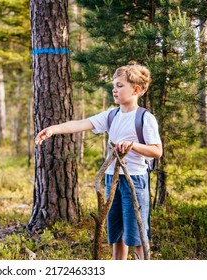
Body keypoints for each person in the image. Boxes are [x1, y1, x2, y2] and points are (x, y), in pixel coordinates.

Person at [35, 64, 162, 260]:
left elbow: (156, 151)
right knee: (116, 234)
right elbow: (81, 124)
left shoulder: (145, 118)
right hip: (112, 179)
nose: (114, 89)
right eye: (114, 85)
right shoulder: (112, 115)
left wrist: (132, 145)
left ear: (136, 89)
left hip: (135, 181)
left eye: (120, 85)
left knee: (137, 235)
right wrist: (53, 129)